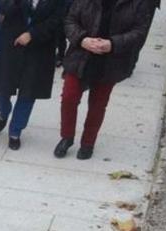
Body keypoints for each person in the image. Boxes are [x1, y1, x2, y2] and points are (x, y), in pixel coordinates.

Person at [56, 0, 159, 159]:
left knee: (98, 104)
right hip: (81, 55)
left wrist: (112, 44)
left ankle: (88, 143)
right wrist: (82, 40)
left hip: (111, 61)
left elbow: (139, 32)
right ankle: (67, 137)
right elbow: (70, 20)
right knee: (69, 97)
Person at [0, 0, 69, 150]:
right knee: (0, 88)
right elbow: (1, 8)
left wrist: (32, 34)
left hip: (40, 47)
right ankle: (4, 111)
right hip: (10, 42)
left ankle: (15, 131)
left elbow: (59, 19)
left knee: (28, 92)